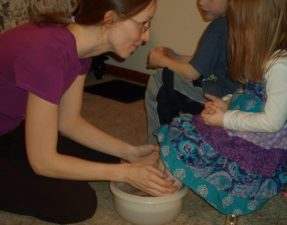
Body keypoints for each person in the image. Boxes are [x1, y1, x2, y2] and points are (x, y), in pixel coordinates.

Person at [0, 0, 178, 223]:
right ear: (110, 18)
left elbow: (68, 122)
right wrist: (125, 173)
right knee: (77, 202)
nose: (146, 37)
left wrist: (129, 153)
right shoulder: (48, 54)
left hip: (7, 127)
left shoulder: (79, 47)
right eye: (143, 24)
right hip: (7, 131)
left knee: (112, 159)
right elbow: (43, 161)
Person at [155, 0, 287, 223]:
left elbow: (272, 122)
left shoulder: (282, 66)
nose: (237, 35)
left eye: (242, 27)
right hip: (255, 127)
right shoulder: (270, 55)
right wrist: (227, 103)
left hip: (266, 144)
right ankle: (165, 178)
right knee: (190, 128)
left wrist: (226, 118)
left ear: (265, 24)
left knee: (192, 140)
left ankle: (164, 185)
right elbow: (255, 95)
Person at [145, 0, 240, 144]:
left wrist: (161, 60)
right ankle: (180, 137)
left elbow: (192, 73)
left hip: (218, 99)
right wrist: (175, 57)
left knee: (161, 80)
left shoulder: (219, 26)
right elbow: (206, 61)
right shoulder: (240, 23)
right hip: (238, 97)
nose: (201, 3)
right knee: (175, 80)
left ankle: (157, 150)